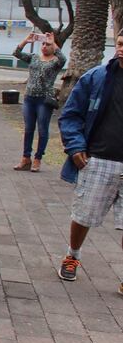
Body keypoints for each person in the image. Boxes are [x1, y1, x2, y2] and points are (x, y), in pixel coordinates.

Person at [56, 32, 123, 284]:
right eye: (119, 44)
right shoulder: (97, 77)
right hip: (99, 159)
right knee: (83, 215)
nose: (122, 49)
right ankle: (72, 255)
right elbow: (70, 115)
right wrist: (75, 148)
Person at [13, 31, 67, 172]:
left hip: (44, 99)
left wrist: (53, 41)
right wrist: (26, 40)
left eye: (47, 45)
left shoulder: (55, 61)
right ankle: (26, 158)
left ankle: (38, 158)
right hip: (30, 97)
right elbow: (16, 53)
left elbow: (63, 59)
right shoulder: (34, 58)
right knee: (29, 129)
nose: (44, 46)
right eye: (43, 43)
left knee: (42, 129)